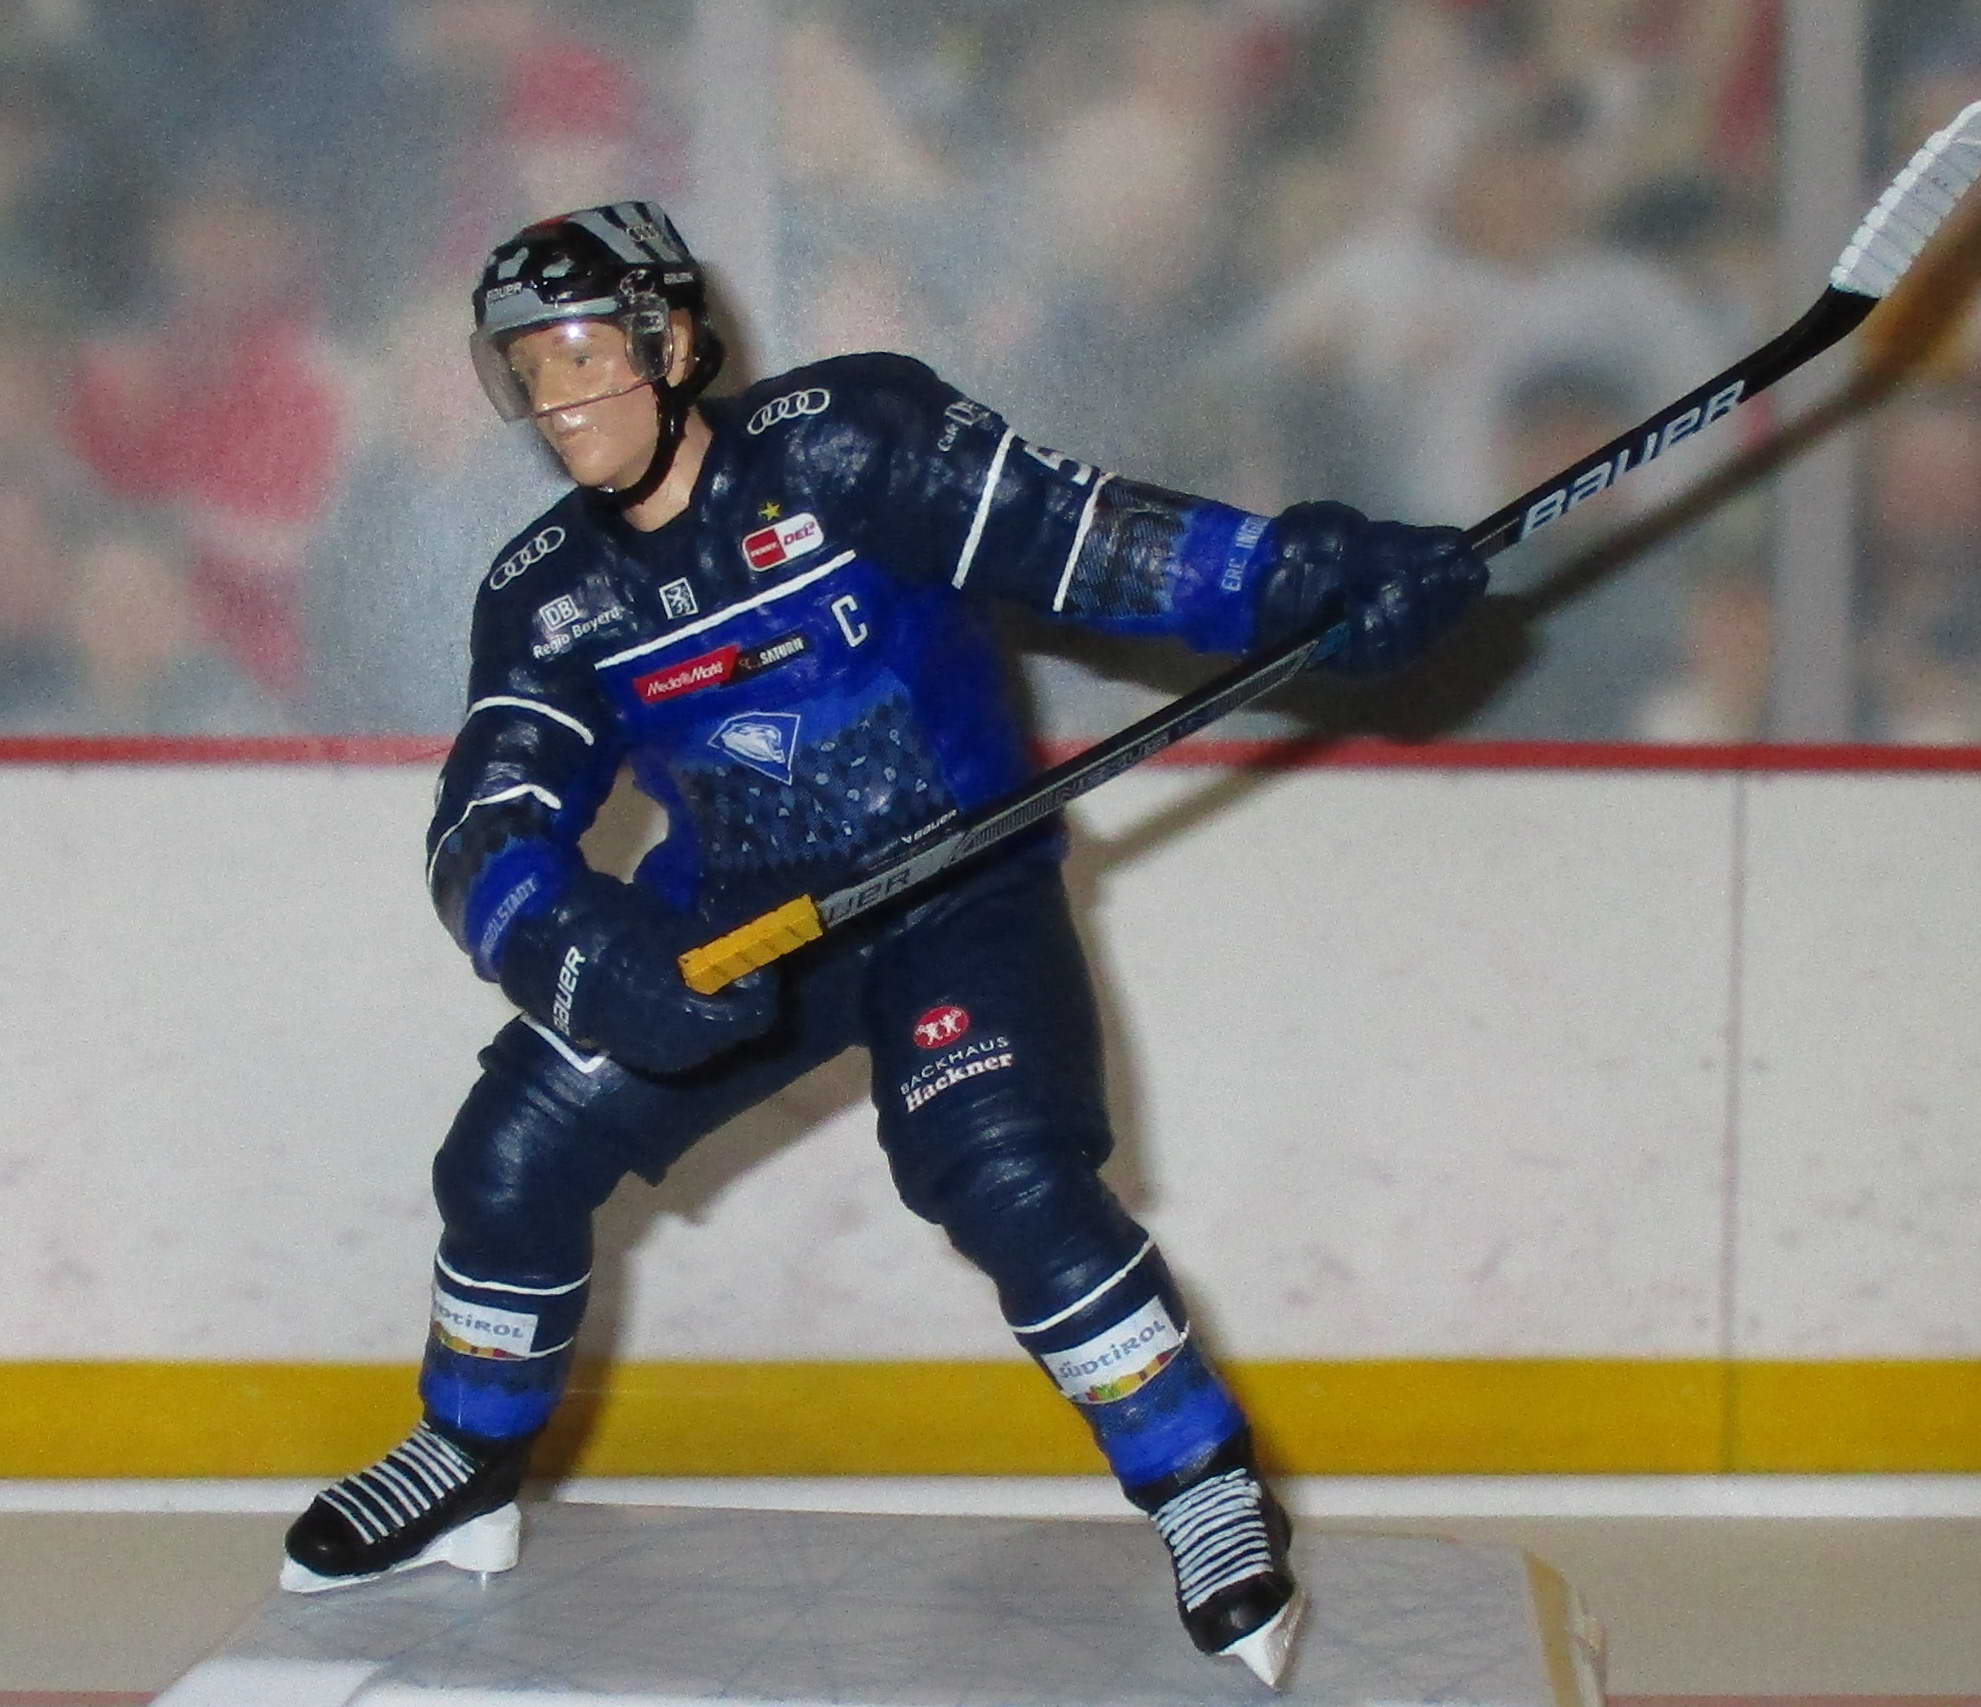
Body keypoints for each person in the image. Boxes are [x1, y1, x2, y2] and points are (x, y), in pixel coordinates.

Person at [280, 202, 1486, 1688]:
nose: (562, 400)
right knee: (508, 1159)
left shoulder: (849, 443)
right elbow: (484, 823)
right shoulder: (546, 591)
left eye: (586, 353)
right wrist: (588, 956)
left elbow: (1088, 542)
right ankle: (467, 1457)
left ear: (672, 341)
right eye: (529, 371)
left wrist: (1302, 575)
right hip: (741, 928)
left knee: (1005, 1173)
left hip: (957, 890)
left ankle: (1201, 1484)